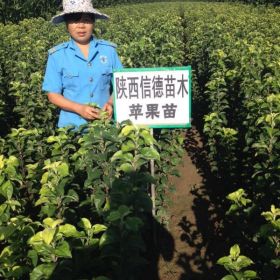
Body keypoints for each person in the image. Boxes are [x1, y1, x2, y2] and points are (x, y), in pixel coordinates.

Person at [42, 0, 123, 128]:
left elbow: (121, 84)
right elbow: (52, 94)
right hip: (72, 128)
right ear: (67, 25)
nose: (81, 26)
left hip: (106, 125)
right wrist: (79, 108)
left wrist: (110, 103)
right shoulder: (57, 55)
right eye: (75, 20)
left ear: (93, 23)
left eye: (86, 20)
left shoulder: (108, 51)